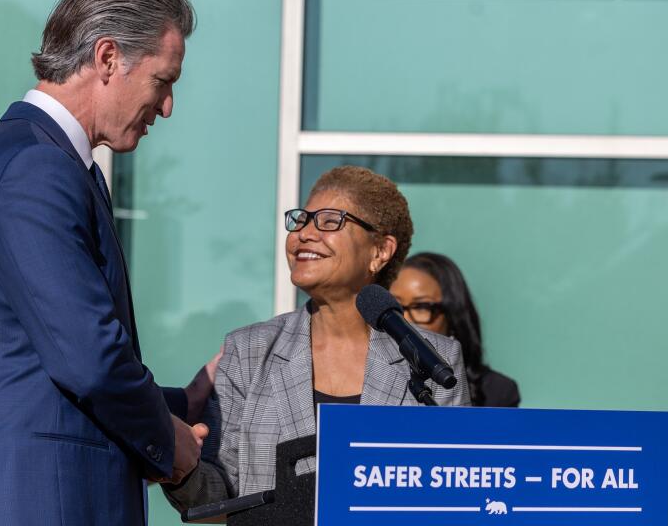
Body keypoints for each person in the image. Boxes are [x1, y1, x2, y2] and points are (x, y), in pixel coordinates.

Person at [0, 0, 206, 526]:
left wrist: (185, 402)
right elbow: (88, 360)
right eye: (163, 81)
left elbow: (32, 365)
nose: (166, 106)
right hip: (32, 501)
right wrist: (168, 438)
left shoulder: (40, 161)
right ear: (108, 57)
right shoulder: (38, 169)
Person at [164, 166, 471, 511]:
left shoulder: (433, 358)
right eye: (300, 220)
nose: (304, 233)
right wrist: (184, 469)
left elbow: (450, 494)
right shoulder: (249, 351)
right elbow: (221, 493)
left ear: (380, 251)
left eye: (329, 221)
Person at [391, 252, 520, 407]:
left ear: (452, 316)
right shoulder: (368, 379)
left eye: (421, 307)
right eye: (395, 307)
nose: (406, 320)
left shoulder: (496, 392)